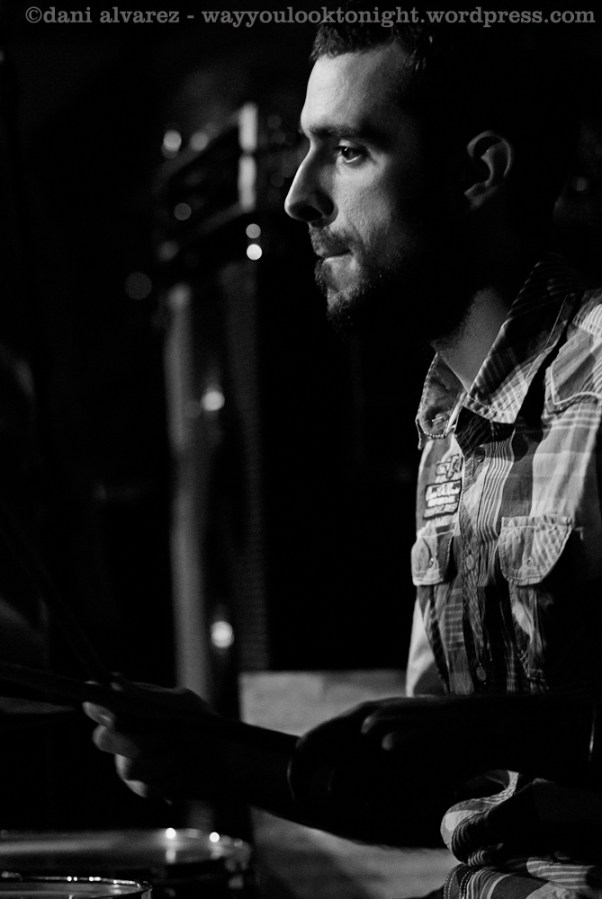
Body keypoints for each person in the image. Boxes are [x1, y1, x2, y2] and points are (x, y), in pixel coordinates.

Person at [85, 13, 602, 897]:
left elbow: (480, 752)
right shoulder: (449, 424)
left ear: (478, 172)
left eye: (350, 150)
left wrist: (501, 730)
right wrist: (219, 753)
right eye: (305, 149)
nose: (298, 195)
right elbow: (450, 796)